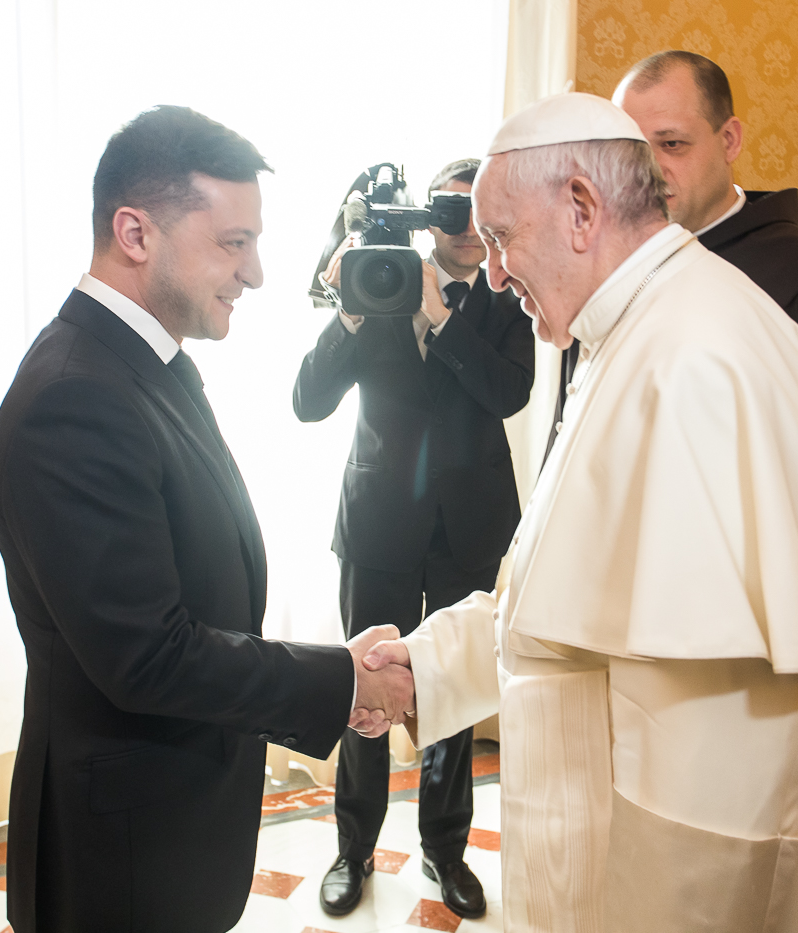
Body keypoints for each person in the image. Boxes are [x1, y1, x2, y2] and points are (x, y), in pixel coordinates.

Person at [352, 92, 798, 932]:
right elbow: (559, 607)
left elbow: (715, 789)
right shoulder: (632, 331)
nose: (498, 274)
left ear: (581, 209)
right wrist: (420, 668)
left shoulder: (696, 357)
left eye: (504, 239)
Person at [0, 106, 413, 933]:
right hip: (126, 841)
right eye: (233, 242)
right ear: (134, 232)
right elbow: (148, 655)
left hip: (172, 809)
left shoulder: (144, 361)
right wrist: (341, 679)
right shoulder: (75, 399)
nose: (254, 274)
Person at [294, 158, 535, 919]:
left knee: (452, 698)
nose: (463, 226)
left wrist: (444, 316)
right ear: (428, 215)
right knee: (362, 689)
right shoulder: (382, 281)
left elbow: (510, 391)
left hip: (469, 529)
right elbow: (307, 401)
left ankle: (445, 849)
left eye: (477, 212)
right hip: (377, 524)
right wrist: (352, 310)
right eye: (451, 209)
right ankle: (353, 848)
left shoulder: (507, 296)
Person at [541, 52, 798, 521]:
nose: (647, 169)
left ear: (730, 140)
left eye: (672, 144)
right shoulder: (603, 276)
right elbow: (569, 446)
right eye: (631, 148)